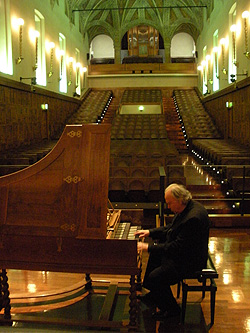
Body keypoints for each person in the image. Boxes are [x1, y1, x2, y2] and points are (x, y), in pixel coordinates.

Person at [135, 183, 210, 320]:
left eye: (169, 203)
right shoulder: (186, 207)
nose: (168, 207)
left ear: (179, 199)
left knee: (155, 277)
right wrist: (150, 232)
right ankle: (154, 294)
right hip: (185, 253)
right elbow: (171, 228)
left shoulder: (193, 218)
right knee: (155, 256)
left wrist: (147, 247)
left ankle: (173, 310)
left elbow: (176, 247)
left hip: (190, 261)